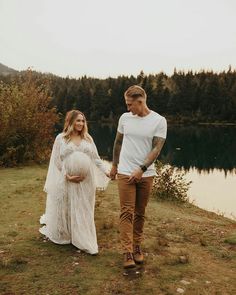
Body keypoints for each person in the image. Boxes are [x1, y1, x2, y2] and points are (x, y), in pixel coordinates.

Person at [110, 85, 167, 268]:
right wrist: (114, 165)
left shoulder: (159, 121)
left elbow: (156, 149)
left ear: (140, 101)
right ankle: (127, 252)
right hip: (125, 172)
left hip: (146, 174)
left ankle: (137, 248)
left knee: (140, 213)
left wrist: (141, 169)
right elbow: (118, 143)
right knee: (126, 212)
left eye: (130, 104)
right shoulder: (125, 118)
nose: (128, 108)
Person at [39, 110, 110, 255]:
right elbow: (57, 161)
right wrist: (67, 176)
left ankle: (82, 237)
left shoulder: (88, 139)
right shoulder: (61, 138)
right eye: (78, 120)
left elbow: (96, 159)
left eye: (83, 121)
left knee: (83, 207)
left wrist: (108, 172)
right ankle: (67, 234)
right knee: (68, 205)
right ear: (70, 122)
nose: (81, 123)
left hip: (86, 181)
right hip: (68, 180)